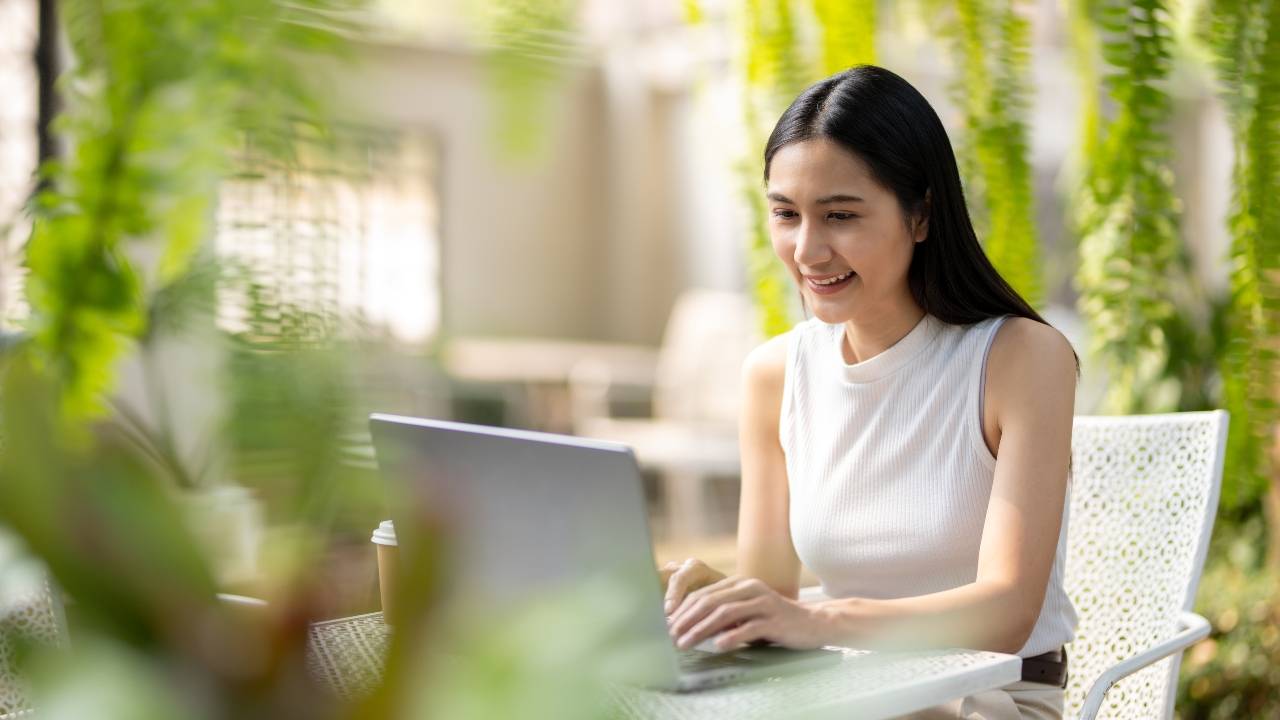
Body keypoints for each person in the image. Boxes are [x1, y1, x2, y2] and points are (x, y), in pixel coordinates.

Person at [659, 65, 1078, 720]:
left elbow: (1007, 611)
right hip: (844, 695)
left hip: (989, 698)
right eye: (785, 214)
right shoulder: (774, 375)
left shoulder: (1020, 358)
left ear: (922, 215)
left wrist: (819, 620)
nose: (808, 250)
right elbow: (773, 607)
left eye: (841, 216)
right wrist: (714, 603)